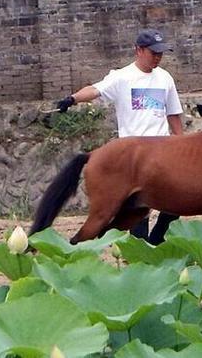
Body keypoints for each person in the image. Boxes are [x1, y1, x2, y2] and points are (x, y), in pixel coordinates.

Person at [55, 28, 183, 244]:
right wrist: (72, 99)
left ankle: (156, 241)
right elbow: (95, 90)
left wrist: (182, 143)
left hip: (163, 151)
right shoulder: (122, 77)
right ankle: (141, 249)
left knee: (179, 200)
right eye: (154, 53)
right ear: (139, 50)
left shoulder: (165, 78)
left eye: (160, 53)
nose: (158, 57)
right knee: (138, 207)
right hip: (134, 156)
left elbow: (173, 114)